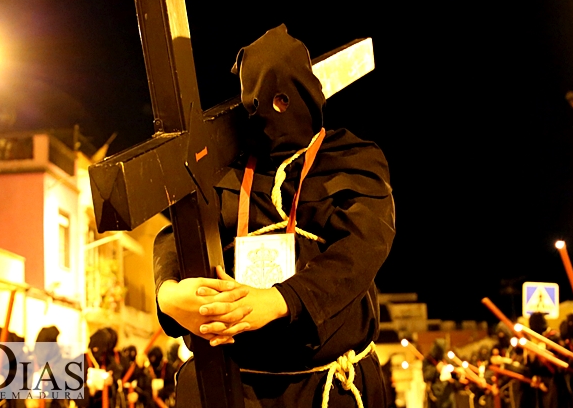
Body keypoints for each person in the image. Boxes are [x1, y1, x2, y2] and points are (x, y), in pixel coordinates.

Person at [153, 24, 396, 407]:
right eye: (259, 103)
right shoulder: (223, 167)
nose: (272, 115)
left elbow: (363, 248)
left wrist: (282, 300)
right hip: (232, 386)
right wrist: (167, 293)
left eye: (284, 100)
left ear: (307, 93)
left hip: (327, 389)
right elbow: (178, 233)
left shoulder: (352, 159)